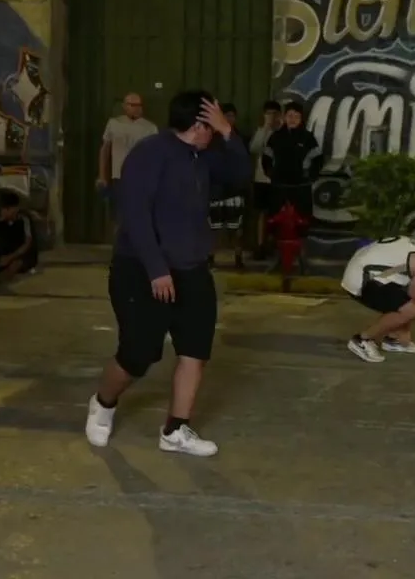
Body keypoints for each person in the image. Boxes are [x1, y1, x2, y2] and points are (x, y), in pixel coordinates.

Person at [85, 89, 249, 458]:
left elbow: (241, 175)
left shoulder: (205, 155)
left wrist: (228, 133)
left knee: (195, 349)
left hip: (192, 268)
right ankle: (104, 402)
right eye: (213, 124)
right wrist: (157, 270)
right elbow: (136, 216)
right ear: (198, 126)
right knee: (138, 353)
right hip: (142, 268)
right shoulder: (150, 154)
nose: (216, 130)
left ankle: (175, 429)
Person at [340, 236, 415, 363]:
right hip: (362, 279)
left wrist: (400, 331)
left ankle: (393, 339)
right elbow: (410, 299)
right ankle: (362, 340)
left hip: (361, 271)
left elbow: (394, 273)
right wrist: (405, 332)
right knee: (409, 310)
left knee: (402, 304)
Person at [97, 92, 156, 225]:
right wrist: (102, 175)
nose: (136, 108)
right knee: (120, 214)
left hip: (142, 177)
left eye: (139, 105)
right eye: (132, 105)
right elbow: (105, 150)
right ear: (124, 106)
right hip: (119, 175)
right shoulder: (114, 123)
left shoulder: (150, 128)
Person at [261, 99, 322, 224]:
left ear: (301, 118)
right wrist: (270, 173)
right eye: (290, 116)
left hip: (301, 188)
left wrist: (311, 176)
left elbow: (318, 159)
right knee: (276, 223)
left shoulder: (308, 138)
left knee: (302, 223)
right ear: (284, 117)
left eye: (296, 116)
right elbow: (266, 157)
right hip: (279, 188)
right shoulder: (276, 137)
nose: (293, 119)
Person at [208, 102, 247, 270]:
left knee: (236, 228)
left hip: (235, 191)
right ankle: (210, 257)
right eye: (226, 116)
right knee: (213, 228)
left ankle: (238, 258)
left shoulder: (239, 138)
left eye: (232, 116)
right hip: (215, 191)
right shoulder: (210, 137)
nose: (229, 119)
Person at [247, 100, 281, 259]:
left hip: (278, 180)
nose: (272, 117)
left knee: (277, 213)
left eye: (275, 114)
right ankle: (260, 245)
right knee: (262, 213)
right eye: (269, 113)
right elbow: (254, 148)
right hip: (261, 178)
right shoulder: (261, 131)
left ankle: (274, 244)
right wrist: (266, 128)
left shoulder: (283, 132)